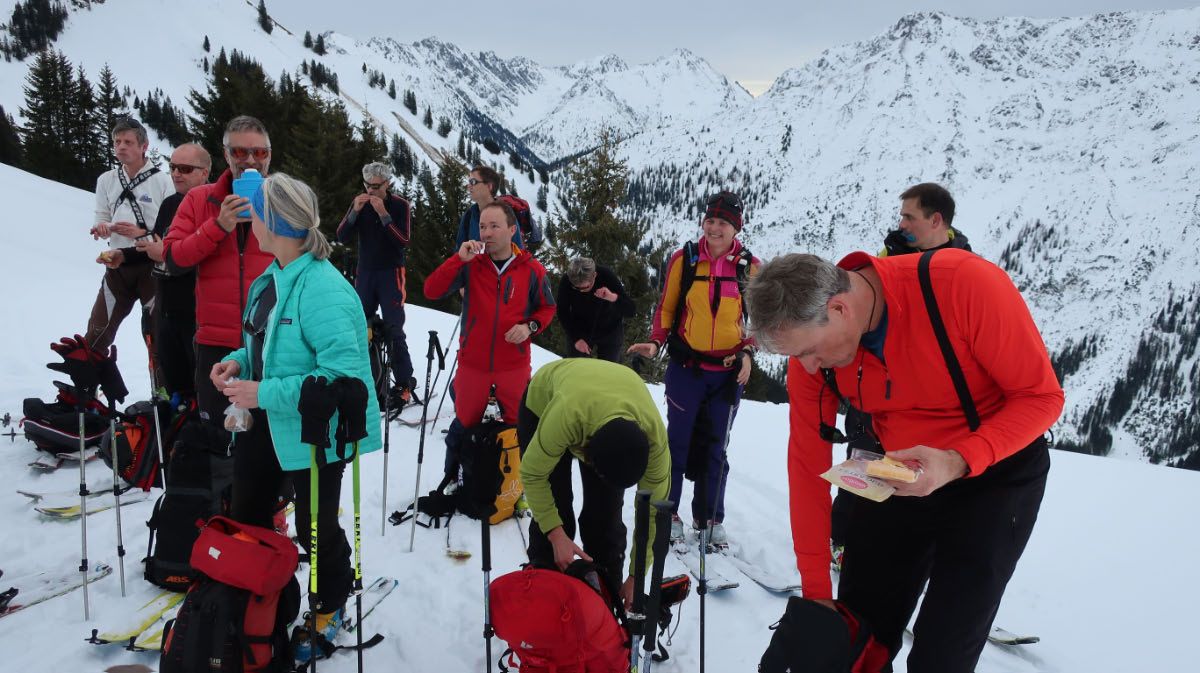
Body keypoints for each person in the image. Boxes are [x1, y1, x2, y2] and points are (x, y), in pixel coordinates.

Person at [744, 250, 1063, 672]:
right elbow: (807, 465)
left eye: (811, 352)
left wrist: (957, 460)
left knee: (943, 651)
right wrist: (818, 591)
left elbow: (1042, 397)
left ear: (839, 308)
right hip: (900, 470)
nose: (807, 366)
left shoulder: (961, 286)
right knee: (859, 632)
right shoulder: (812, 358)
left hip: (996, 475)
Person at [209, 173, 381, 658]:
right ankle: (263, 591)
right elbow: (260, 346)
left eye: (255, 210)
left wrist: (261, 391)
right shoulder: (271, 277)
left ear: (276, 221)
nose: (249, 220)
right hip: (267, 420)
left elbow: (342, 377)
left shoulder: (325, 288)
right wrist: (237, 363)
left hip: (317, 433)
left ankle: (330, 604)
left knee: (316, 527)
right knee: (247, 511)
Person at [831, 182, 973, 564]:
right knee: (861, 466)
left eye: (909, 216)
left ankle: (911, 558)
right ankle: (844, 543)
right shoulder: (889, 255)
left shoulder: (964, 266)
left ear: (936, 219)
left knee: (917, 476)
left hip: (927, 396)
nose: (901, 223)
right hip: (875, 385)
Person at [627, 191, 759, 547]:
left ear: (736, 227)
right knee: (678, 442)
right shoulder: (684, 260)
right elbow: (667, 309)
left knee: (717, 446)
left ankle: (710, 517)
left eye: (723, 223)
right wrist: (656, 341)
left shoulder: (749, 267)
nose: (714, 228)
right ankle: (668, 512)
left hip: (729, 374)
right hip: (687, 368)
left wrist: (748, 353)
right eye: (710, 220)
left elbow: (757, 322)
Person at [518, 359, 670, 608]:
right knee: (558, 509)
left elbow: (653, 515)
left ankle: (605, 603)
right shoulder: (567, 416)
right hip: (544, 402)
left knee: (605, 517)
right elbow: (533, 474)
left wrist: (636, 575)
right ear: (587, 449)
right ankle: (544, 598)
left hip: (603, 401)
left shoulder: (656, 446)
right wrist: (556, 534)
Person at [424, 201, 555, 465]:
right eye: (483, 226)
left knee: (519, 426)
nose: (486, 233)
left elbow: (547, 308)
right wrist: (457, 260)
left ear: (511, 229)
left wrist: (529, 327)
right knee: (463, 424)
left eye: (494, 226)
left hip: (513, 365)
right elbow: (432, 290)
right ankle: (453, 479)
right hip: (474, 363)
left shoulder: (532, 269)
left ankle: (517, 490)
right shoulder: (471, 264)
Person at [164, 115, 275, 422]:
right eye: (240, 152)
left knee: (268, 443)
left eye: (259, 152)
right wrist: (219, 226)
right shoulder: (200, 199)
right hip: (217, 346)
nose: (250, 160)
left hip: (272, 343)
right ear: (226, 155)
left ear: (269, 156)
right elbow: (173, 259)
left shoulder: (282, 199)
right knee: (219, 440)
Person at [84, 117, 174, 375]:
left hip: (152, 266)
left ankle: (165, 401)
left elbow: (170, 229)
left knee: (157, 337)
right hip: (116, 263)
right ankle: (84, 396)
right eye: (116, 142)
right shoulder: (106, 180)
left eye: (128, 142)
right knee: (97, 332)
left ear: (143, 146)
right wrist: (102, 227)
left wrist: (141, 233)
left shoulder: (162, 181)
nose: (121, 147)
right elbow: (101, 214)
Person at [130, 143, 212, 401]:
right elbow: (157, 244)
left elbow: (198, 255)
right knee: (174, 389)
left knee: (203, 390)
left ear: (205, 172)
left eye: (185, 169)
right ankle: (176, 437)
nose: (176, 174)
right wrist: (125, 255)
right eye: (173, 167)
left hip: (198, 313)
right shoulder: (169, 204)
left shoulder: (214, 206)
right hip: (167, 310)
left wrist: (163, 253)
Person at [335, 161, 415, 408]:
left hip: (391, 273)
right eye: (367, 186)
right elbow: (342, 236)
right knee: (360, 325)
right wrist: (354, 213)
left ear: (387, 184)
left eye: (376, 187)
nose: (371, 191)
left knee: (393, 328)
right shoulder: (360, 201)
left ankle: (403, 383)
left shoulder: (400, 205)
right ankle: (365, 377)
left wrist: (384, 215)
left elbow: (403, 240)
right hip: (366, 272)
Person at [555, 257, 635, 362]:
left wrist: (613, 297)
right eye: (576, 288)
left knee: (608, 371)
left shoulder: (606, 276)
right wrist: (576, 339)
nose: (581, 291)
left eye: (585, 287)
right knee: (576, 367)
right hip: (580, 328)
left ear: (595, 276)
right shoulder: (568, 280)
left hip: (610, 329)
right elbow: (562, 311)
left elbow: (631, 310)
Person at [880, 182, 971, 257]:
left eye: (909, 217)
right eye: (903, 217)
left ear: (935, 221)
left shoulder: (968, 266)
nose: (901, 224)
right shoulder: (891, 252)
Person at [454, 165, 523, 250]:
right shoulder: (469, 215)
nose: (469, 186)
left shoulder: (506, 215)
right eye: (469, 182)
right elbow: (460, 252)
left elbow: (518, 253)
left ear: (489, 186)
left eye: (473, 182)